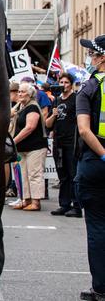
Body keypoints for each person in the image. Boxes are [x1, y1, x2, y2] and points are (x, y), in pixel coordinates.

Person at [74, 36, 105, 301]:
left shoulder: (90, 88)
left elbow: (84, 129)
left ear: (102, 58)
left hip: (96, 162)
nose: (90, 59)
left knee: (97, 225)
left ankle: (100, 288)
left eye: (93, 55)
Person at [45, 72, 82, 217]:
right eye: (62, 82)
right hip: (58, 142)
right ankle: (64, 204)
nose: (64, 85)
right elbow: (47, 123)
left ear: (71, 84)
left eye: (66, 82)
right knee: (63, 175)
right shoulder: (56, 100)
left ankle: (76, 206)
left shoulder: (76, 98)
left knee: (73, 174)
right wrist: (53, 114)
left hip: (71, 141)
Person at [11, 83, 48, 211]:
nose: (20, 94)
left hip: (35, 147)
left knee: (34, 174)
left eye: (23, 92)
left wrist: (13, 141)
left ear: (30, 94)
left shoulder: (32, 107)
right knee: (24, 175)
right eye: (19, 92)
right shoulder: (21, 106)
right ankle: (26, 200)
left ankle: (36, 202)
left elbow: (30, 127)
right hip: (23, 148)